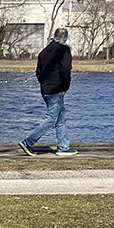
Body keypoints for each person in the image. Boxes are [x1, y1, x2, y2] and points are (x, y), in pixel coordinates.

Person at [19, 26, 77, 157]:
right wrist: (65, 87)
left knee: (60, 117)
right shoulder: (64, 50)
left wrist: (44, 84)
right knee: (51, 118)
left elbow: (38, 73)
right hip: (57, 89)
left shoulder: (44, 52)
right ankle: (29, 142)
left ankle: (63, 146)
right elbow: (66, 70)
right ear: (65, 38)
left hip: (45, 89)